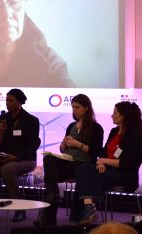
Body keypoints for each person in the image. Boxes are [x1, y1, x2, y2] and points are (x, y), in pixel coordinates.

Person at [36, 94, 104, 226]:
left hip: (83, 164)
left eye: (77, 107)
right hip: (67, 160)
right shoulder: (71, 126)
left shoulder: (96, 128)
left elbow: (95, 152)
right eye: (73, 107)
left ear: (86, 108)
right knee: (48, 159)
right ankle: (53, 194)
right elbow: (63, 149)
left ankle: (49, 215)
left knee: (50, 178)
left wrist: (77, 144)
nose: (74, 110)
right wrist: (63, 145)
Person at [74, 101, 142, 226]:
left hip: (123, 175)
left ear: (123, 116)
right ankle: (89, 207)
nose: (112, 116)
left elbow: (127, 164)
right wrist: (100, 163)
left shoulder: (134, 135)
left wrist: (104, 161)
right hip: (106, 169)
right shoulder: (114, 131)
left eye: (115, 113)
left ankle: (87, 210)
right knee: (83, 169)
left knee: (86, 177)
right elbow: (103, 152)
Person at [0, 88, 40, 222]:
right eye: (6, 100)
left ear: (20, 102)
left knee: (7, 170)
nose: (7, 103)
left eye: (11, 100)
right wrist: (1, 133)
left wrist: (16, 157)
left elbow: (33, 146)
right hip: (4, 158)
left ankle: (19, 210)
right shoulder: (2, 119)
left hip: (25, 159)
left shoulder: (31, 120)